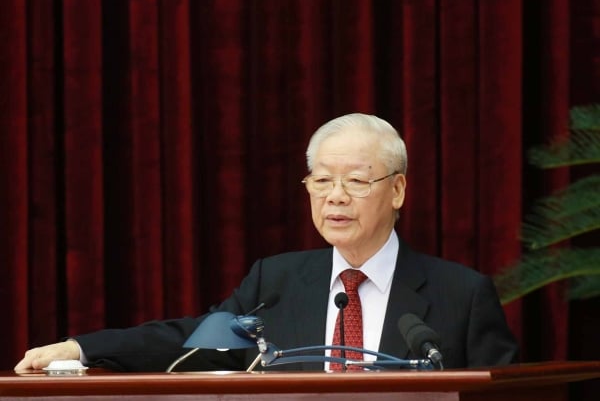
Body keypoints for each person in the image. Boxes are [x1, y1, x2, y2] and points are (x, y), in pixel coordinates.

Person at [15, 113, 518, 373]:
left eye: (357, 181)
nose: (335, 198)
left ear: (398, 189)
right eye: (321, 182)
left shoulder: (462, 295)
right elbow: (191, 342)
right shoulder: (275, 282)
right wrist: (82, 348)